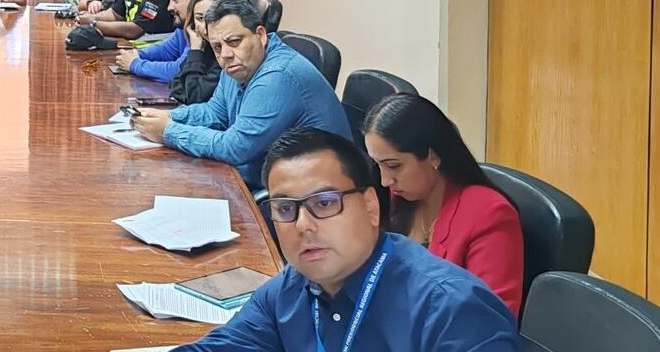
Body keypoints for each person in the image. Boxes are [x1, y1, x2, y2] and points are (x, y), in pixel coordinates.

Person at [173, 128, 521, 351]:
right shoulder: (291, 290)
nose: (303, 225)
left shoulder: (450, 309)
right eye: (285, 209)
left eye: (324, 204)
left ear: (370, 206)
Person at [131, 0, 350, 187]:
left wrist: (168, 131)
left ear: (261, 35)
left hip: (312, 194)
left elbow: (235, 147)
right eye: (216, 46)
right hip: (264, 173)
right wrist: (168, 116)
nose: (225, 54)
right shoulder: (237, 61)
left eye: (234, 41)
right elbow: (215, 113)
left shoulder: (277, 76)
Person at [364, 94, 525, 314]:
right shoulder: (395, 200)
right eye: (378, 165)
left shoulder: (489, 214)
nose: (385, 180)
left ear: (433, 156)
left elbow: (490, 321)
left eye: (393, 166)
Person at [114, 0, 209, 81]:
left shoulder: (205, 31)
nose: (169, 8)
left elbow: (178, 71)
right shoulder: (184, 29)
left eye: (175, 0)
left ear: (196, 0)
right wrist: (137, 54)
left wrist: (134, 64)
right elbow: (165, 51)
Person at [168, 0, 228, 105]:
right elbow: (175, 85)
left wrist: (195, 51)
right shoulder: (205, 46)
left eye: (212, 17)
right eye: (200, 18)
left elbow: (195, 97)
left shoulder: (226, 53)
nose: (205, 25)